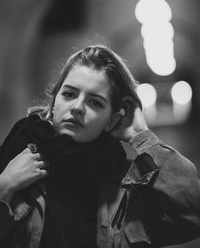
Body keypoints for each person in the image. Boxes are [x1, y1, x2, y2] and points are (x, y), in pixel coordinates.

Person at [0, 44, 200, 248]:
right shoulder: (16, 158)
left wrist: (142, 137)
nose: (77, 108)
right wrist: (4, 185)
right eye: (69, 94)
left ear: (111, 120)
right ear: (54, 103)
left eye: (95, 103)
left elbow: (190, 218)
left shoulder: (128, 185)